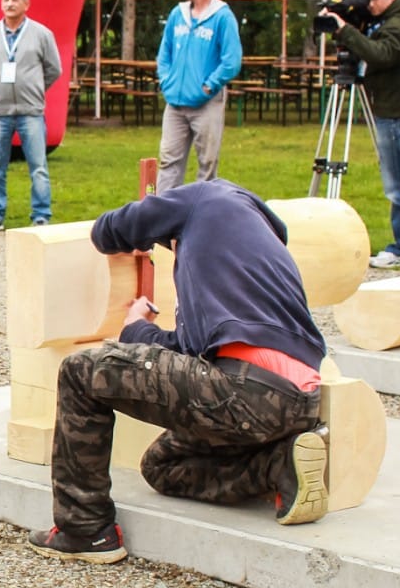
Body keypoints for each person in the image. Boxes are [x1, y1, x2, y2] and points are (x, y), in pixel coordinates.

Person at [28, 179, 328, 565]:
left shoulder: (206, 196)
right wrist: (137, 330)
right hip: (296, 403)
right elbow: (190, 356)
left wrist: (146, 232)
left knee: (80, 371)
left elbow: (110, 230)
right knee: (162, 467)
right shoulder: (256, 250)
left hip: (242, 389)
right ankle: (277, 465)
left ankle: (85, 529)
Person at [323, 0, 400, 268]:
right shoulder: (387, 12)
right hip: (394, 105)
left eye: (374, 0)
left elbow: (381, 54)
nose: (369, 5)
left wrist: (345, 30)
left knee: (398, 181)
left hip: (396, 110)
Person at [0, 0, 61, 230]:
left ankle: (41, 215)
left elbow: (54, 69)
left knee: (38, 168)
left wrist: (34, 88)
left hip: (31, 112)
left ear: (26, 4)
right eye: (5, 0)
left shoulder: (41, 34)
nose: (9, 4)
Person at [155, 0, 242, 193]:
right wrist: (166, 80)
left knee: (207, 164)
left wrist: (209, 86)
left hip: (206, 103)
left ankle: (201, 216)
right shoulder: (178, 14)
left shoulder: (222, 16)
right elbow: (164, 53)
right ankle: (162, 216)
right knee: (168, 161)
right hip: (175, 103)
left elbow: (232, 60)